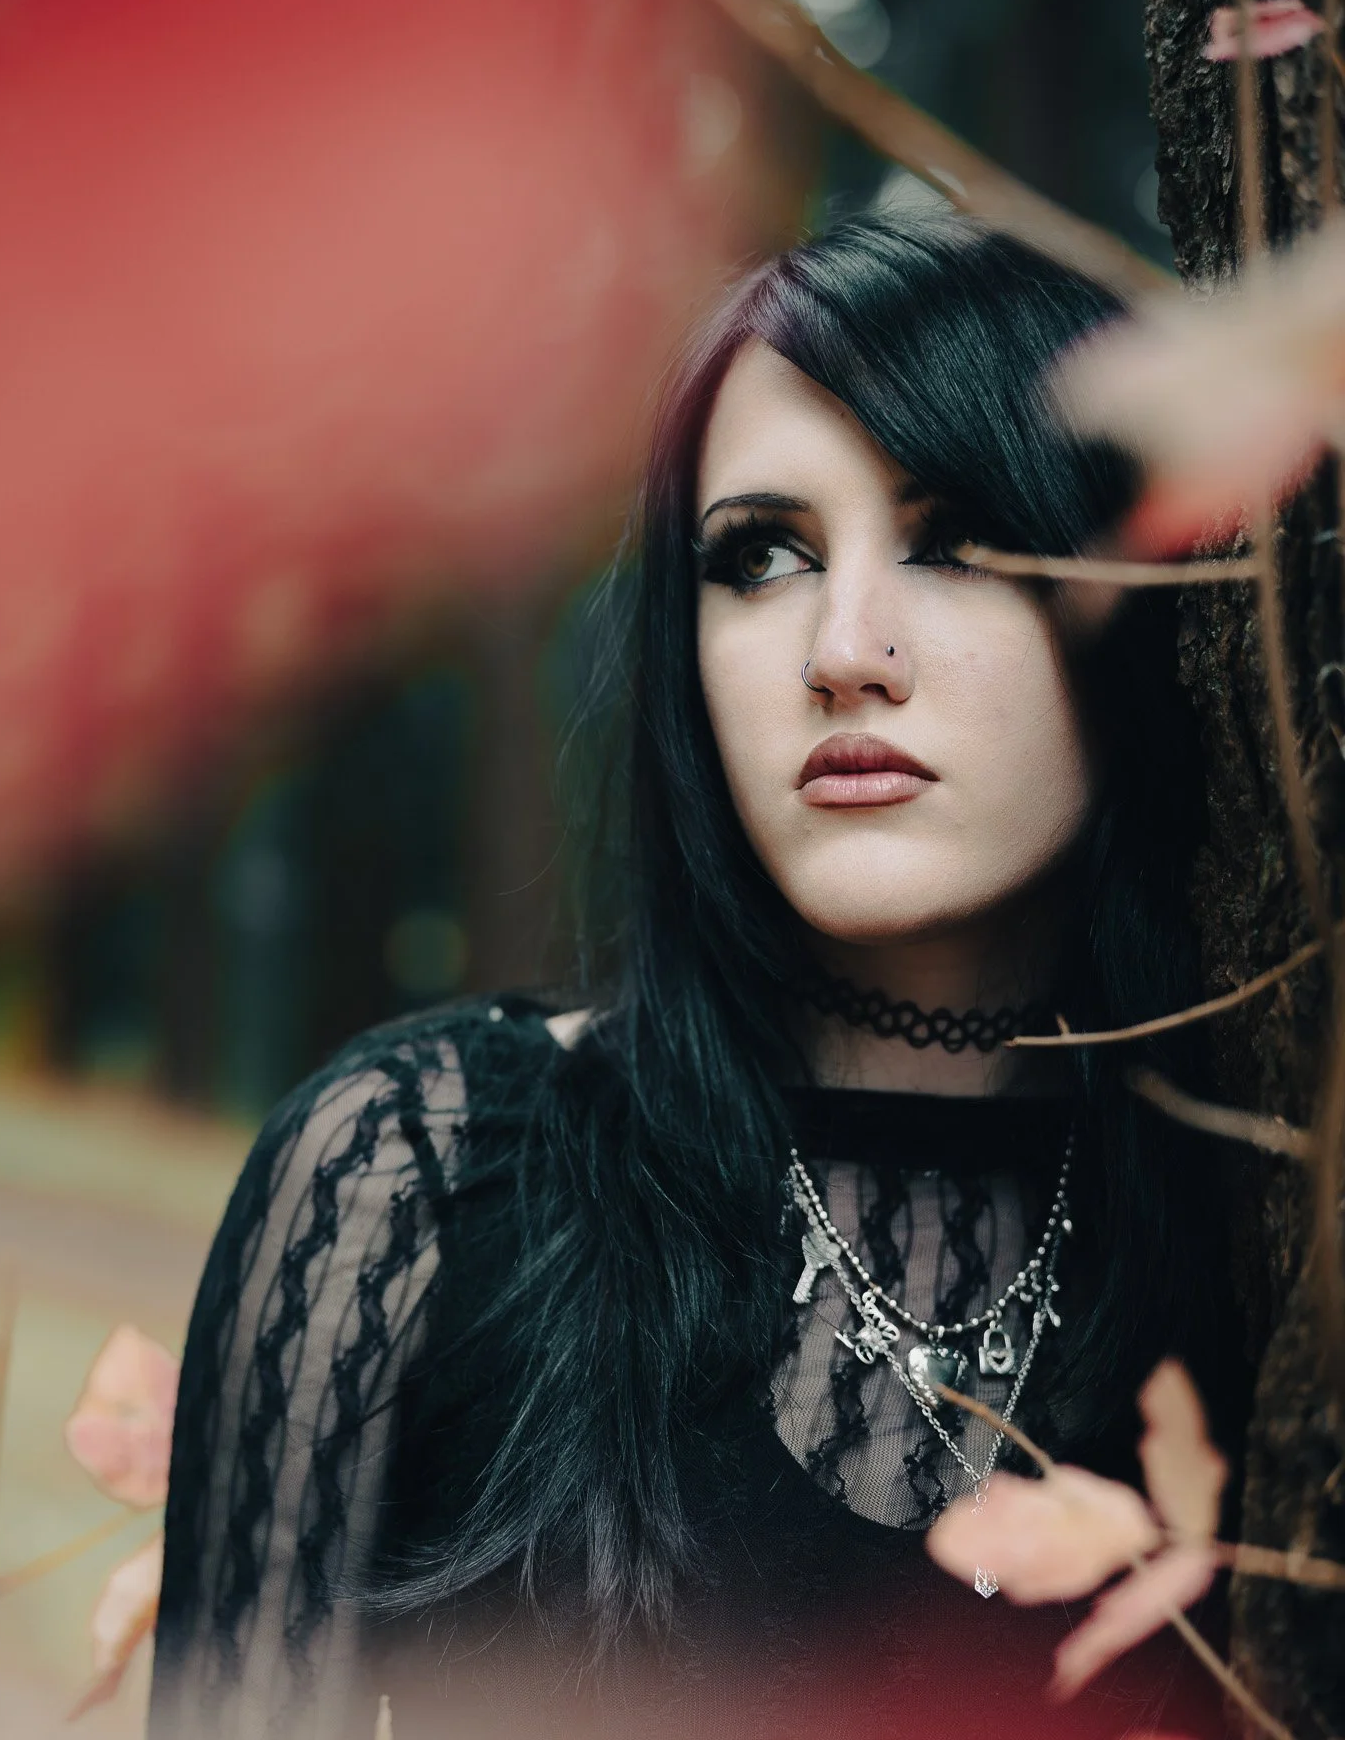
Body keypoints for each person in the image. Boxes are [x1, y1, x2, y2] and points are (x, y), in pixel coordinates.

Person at [149, 216, 1246, 1740]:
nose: (843, 650)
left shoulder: (1265, 1242)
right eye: (763, 555)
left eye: (953, 539)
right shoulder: (416, 1178)